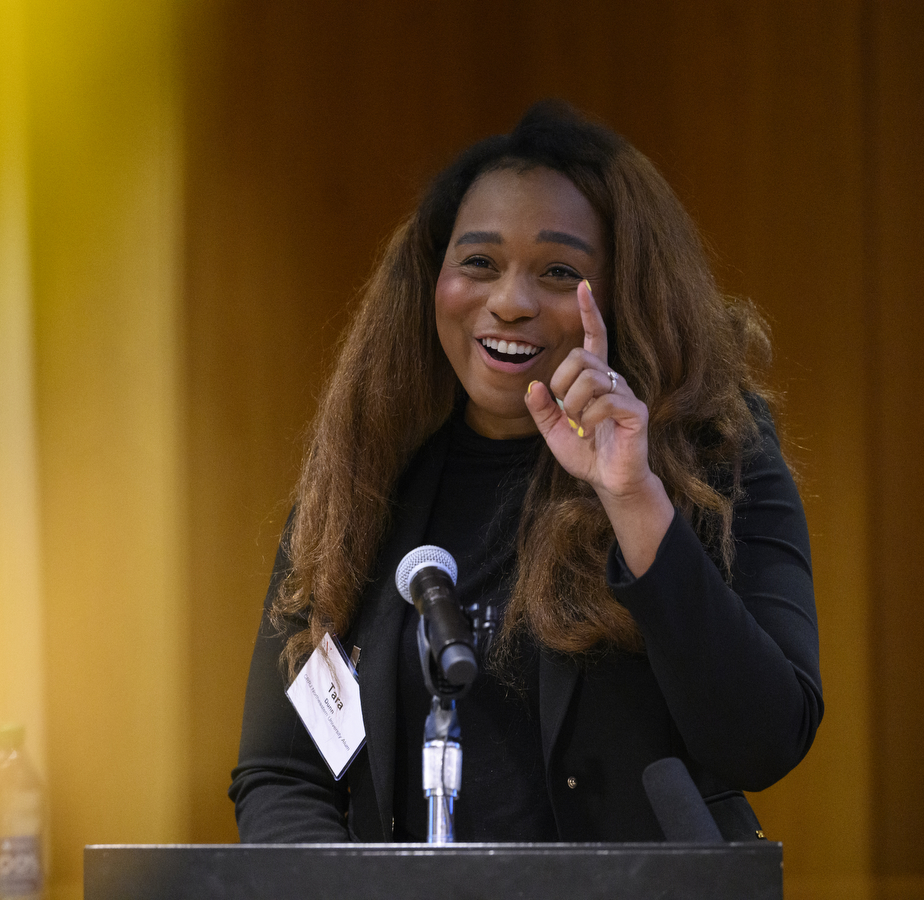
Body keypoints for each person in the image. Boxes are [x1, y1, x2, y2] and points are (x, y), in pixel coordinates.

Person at [229, 100, 821, 843]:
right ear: (432, 280)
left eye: (558, 271)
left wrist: (634, 499)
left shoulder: (716, 452)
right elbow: (283, 775)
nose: (508, 302)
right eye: (478, 262)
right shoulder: (365, 477)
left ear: (624, 294)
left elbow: (764, 739)